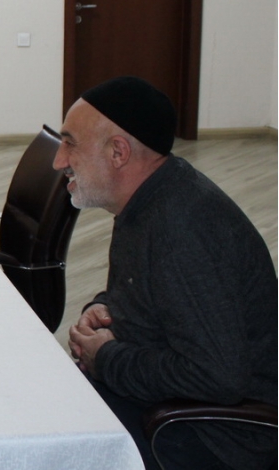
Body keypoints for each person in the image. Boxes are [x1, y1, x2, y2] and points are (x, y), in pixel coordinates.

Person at [53, 76, 277, 469]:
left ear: (118, 152)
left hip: (213, 436)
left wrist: (107, 359)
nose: (59, 160)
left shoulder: (181, 229)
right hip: (168, 401)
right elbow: (152, 291)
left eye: (70, 143)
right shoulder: (146, 199)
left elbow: (218, 378)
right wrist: (106, 308)